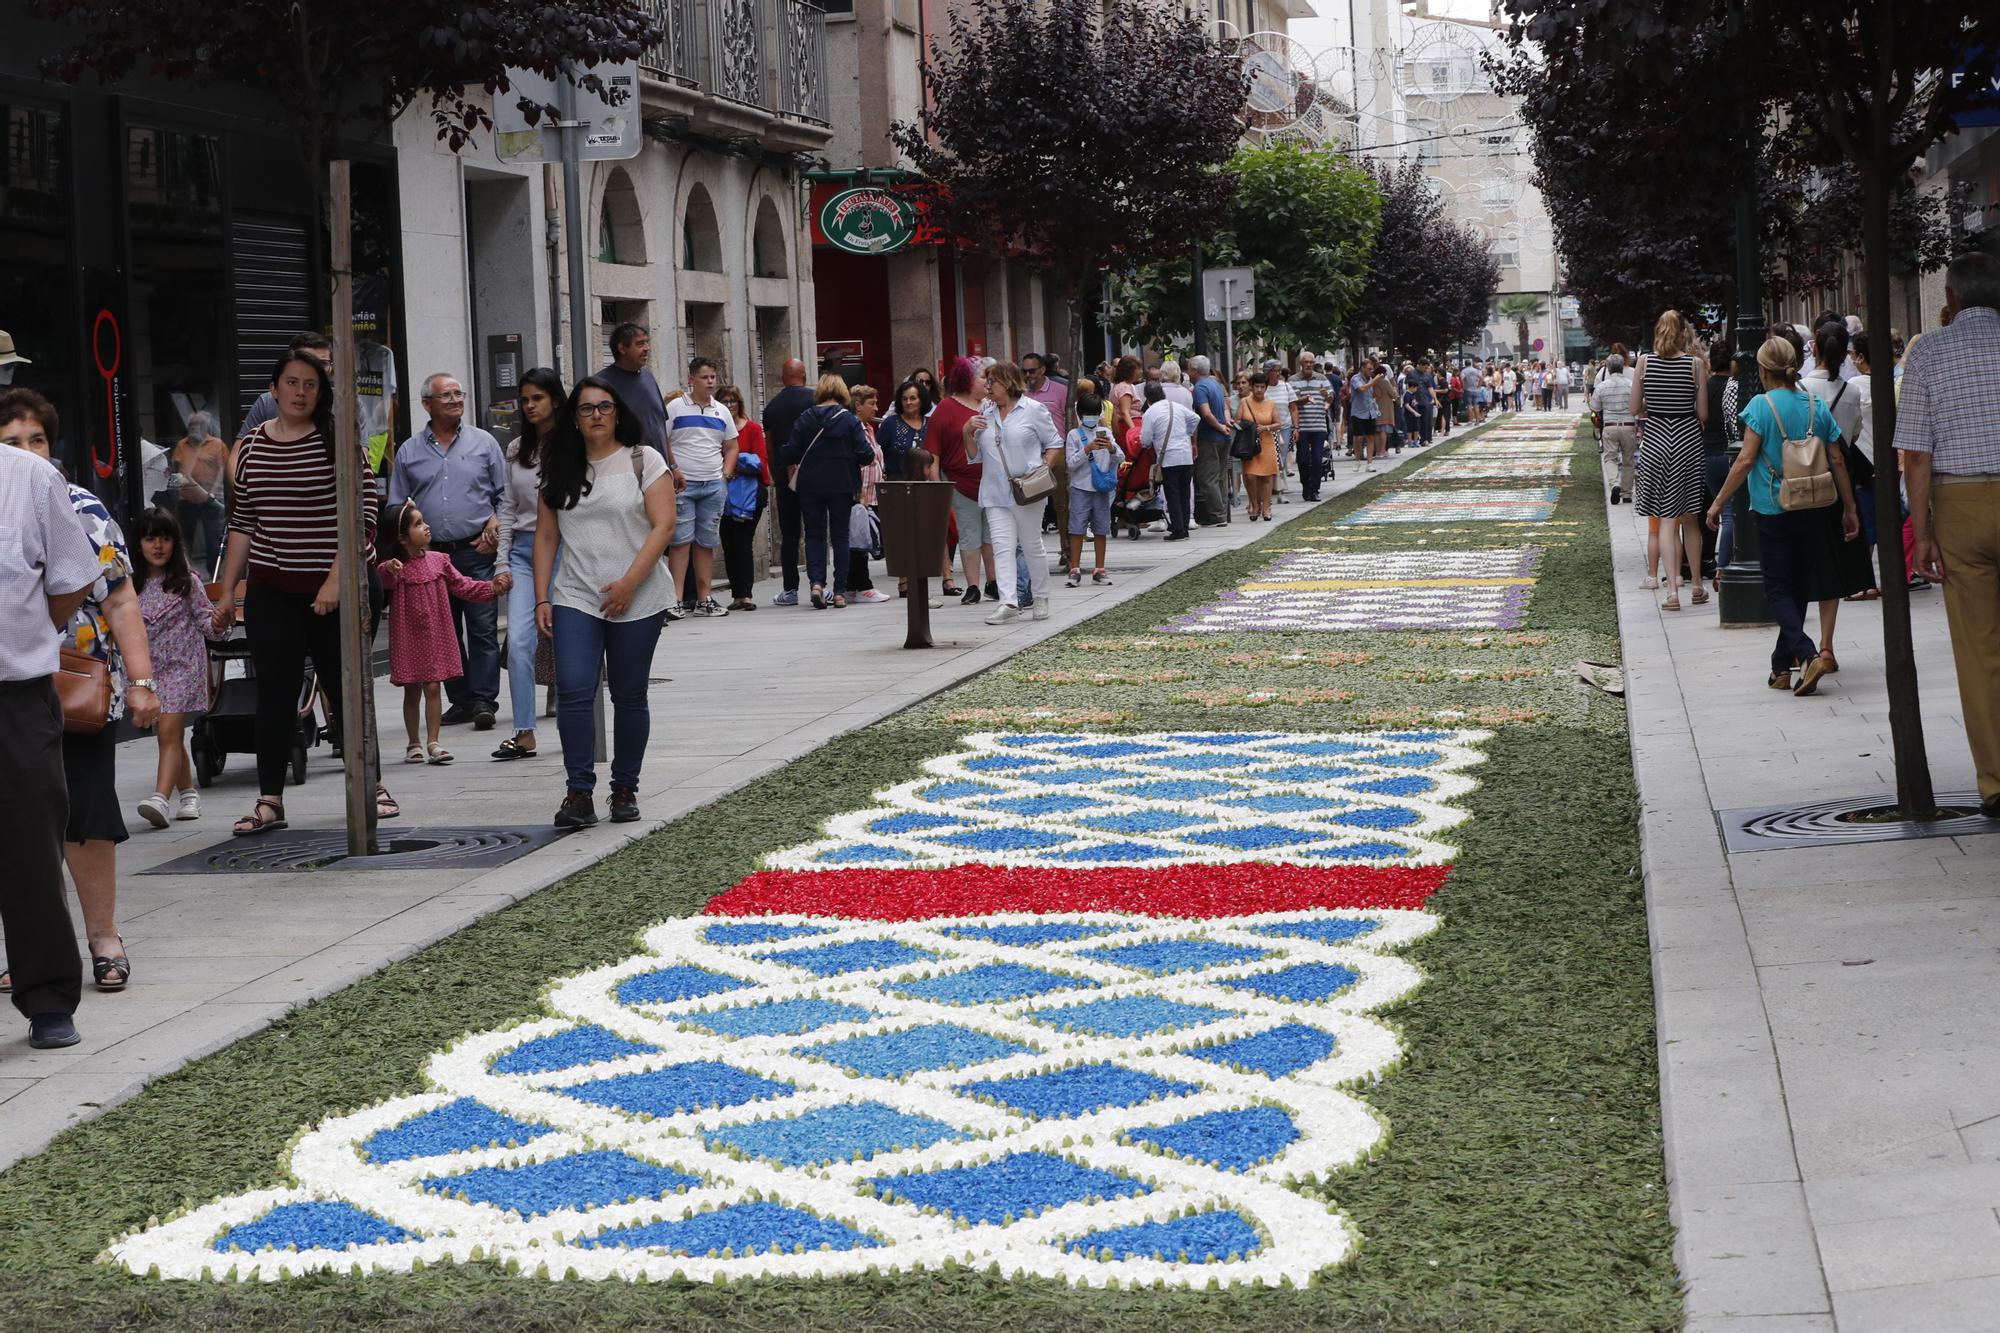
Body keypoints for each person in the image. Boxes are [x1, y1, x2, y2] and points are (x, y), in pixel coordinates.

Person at [0, 389, 161, 1003]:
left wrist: (144, 684)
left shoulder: (82, 507)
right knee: (20, 827)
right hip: (17, 687)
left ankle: (104, 938)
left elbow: (120, 599)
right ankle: (32, 948)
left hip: (80, 690)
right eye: (12, 442)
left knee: (87, 816)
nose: (27, 452)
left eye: (36, 439)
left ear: (53, 444)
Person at [214, 352, 393, 834]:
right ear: (273, 390)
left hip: (339, 585)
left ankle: (371, 785)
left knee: (346, 688)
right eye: (290, 383)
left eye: (310, 384)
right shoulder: (250, 447)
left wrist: (337, 579)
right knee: (273, 692)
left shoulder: (340, 440)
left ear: (321, 391)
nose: (299, 392)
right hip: (273, 587)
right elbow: (243, 525)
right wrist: (228, 592)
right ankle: (270, 799)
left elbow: (364, 516)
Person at [0, 418, 104, 1047]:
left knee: (31, 848)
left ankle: (48, 1000)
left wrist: (28, 633)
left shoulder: (31, 478)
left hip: (15, 694)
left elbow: (73, 579)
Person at [533, 377, 676, 828]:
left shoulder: (644, 460)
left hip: (639, 593)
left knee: (630, 695)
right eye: (586, 408)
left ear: (618, 413)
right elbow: (546, 534)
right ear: (573, 417)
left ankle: (624, 788)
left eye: (605, 407)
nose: (596, 414)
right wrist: (541, 596)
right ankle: (579, 792)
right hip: (576, 593)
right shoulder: (558, 465)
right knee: (574, 689)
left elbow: (664, 526)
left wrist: (629, 584)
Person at [1900, 251, 2000, 814]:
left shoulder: (1931, 352)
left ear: (1953, 298)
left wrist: (1925, 530)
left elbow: (1916, 455)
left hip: (1958, 501)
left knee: (1978, 647)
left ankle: (1996, 781)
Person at [1708, 336, 1862, 696]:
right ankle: (1781, 667)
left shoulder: (1760, 406)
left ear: (1762, 370)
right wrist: (1849, 508)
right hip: (1814, 505)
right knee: (1798, 584)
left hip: (1773, 508)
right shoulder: (1814, 404)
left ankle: (1807, 655)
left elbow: (1745, 460)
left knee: (1778, 587)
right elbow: (1837, 458)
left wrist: (1718, 502)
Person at [389, 373, 506, 730]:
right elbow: (396, 507)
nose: (456, 400)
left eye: (459, 393)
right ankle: (461, 700)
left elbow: (504, 496)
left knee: (484, 628)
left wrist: (495, 522)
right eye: (447, 395)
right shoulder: (409, 451)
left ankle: (485, 700)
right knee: (445, 631)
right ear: (427, 404)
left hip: (476, 550)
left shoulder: (484, 443)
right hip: (430, 558)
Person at [378, 500, 499, 765]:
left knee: (433, 687)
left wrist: (492, 588)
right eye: (418, 524)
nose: (426, 527)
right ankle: (413, 743)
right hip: (408, 635)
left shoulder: (439, 561)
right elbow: (381, 581)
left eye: (424, 521)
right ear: (402, 537)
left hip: (435, 634)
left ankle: (434, 741)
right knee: (412, 689)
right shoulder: (394, 567)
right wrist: (388, 568)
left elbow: (463, 586)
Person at [130, 506, 223, 828]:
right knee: (169, 735)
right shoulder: (130, 586)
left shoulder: (188, 582)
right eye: (150, 538)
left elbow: (208, 625)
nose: (158, 545)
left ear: (175, 542)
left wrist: (220, 620)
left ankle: (159, 797)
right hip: (151, 672)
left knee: (168, 732)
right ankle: (189, 794)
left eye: (165, 538)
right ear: (138, 543)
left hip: (184, 668)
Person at [493, 366, 563, 760]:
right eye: (525, 399)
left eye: (538, 397)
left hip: (568, 551)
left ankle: (578, 722)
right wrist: (501, 562)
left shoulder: (575, 444)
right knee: (520, 642)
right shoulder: (517, 448)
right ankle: (523, 731)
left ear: (554, 399)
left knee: (570, 642)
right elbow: (506, 507)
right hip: (522, 550)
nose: (530, 405)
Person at [964, 361, 1061, 624]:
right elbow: (975, 456)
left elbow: (1054, 443)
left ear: (1007, 382)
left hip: (1027, 489)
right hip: (995, 490)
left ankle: (1041, 595)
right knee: (1002, 547)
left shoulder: (1033, 410)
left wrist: (1042, 470)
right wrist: (967, 432)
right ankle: (1008, 601)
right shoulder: (986, 410)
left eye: (991, 381)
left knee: (1031, 544)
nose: (987, 387)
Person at [1631, 310, 1711, 611]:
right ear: (1681, 334)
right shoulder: (1695, 366)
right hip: (1687, 442)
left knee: (1665, 519)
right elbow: (1703, 414)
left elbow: (1635, 407)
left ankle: (1672, 591)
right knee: (1690, 517)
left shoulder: (1644, 363)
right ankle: (1698, 586)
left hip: (1655, 442)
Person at [782, 374, 876, 610]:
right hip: (842, 485)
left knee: (814, 534)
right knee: (840, 536)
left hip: (811, 485)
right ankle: (840, 592)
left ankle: (816, 584)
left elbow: (791, 451)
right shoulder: (849, 421)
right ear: (842, 392)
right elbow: (866, 455)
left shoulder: (806, 418)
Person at [1802, 321, 1879, 606]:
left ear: (1815, 347)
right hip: (1841, 474)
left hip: (1809, 471)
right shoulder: (1851, 391)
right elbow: (1854, 433)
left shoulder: (1802, 388)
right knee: (1842, 532)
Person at [663, 356, 740, 620]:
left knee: (706, 542)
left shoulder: (722, 411)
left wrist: (725, 475)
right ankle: (676, 599)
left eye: (713, 377)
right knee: (680, 541)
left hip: (713, 484)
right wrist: (673, 467)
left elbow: (731, 446)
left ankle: (704, 598)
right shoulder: (675, 407)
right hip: (683, 485)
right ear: (691, 380)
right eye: (705, 377)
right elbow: (663, 440)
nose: (710, 382)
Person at [924, 357, 997, 604]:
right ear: (967, 380)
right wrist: (937, 486)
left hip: (992, 481)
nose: (988, 382)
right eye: (982, 377)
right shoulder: (946, 407)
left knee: (991, 535)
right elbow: (933, 452)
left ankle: (993, 583)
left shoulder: (992, 406)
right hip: (960, 483)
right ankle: (973, 586)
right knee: (969, 535)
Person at [762, 357, 816, 606]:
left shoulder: (772, 406)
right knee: (816, 530)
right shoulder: (816, 400)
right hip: (816, 475)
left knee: (790, 534)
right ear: (804, 375)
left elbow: (770, 446)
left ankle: (790, 589)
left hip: (786, 478)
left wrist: (776, 472)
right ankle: (819, 583)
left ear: (783, 378)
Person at [716, 383, 770, 612]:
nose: (730, 406)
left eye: (733, 401)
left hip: (749, 494)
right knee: (728, 542)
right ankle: (737, 594)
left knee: (742, 541)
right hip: (723, 494)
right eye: (725, 402)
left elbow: (761, 461)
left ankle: (746, 594)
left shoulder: (752, 428)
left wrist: (734, 463)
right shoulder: (715, 428)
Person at [597, 323, 676, 474]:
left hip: (660, 471)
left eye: (647, 342)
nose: (647, 348)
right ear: (622, 348)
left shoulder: (649, 377)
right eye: (640, 344)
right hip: (627, 474)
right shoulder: (601, 385)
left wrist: (673, 466)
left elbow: (660, 427)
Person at [1063, 390, 1123, 585]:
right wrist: (1086, 449)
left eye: (1095, 414)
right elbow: (1071, 464)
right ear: (1080, 415)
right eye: (1087, 414)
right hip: (1080, 488)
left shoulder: (1105, 433)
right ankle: (1075, 568)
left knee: (1101, 528)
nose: (1091, 418)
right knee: (1077, 529)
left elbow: (1120, 457)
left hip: (1101, 489)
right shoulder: (1074, 435)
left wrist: (1111, 448)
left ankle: (1100, 568)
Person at [847, 385, 892, 603]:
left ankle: (854, 587)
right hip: (861, 494)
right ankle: (863, 586)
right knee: (859, 540)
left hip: (872, 493)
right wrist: (860, 493)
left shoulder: (869, 428)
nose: (876, 408)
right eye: (871, 404)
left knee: (863, 539)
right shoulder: (855, 428)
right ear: (858, 405)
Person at [170, 411, 229, 575]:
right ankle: (185, 574)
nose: (194, 428)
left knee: (213, 542)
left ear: (206, 427)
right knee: (185, 540)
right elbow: (177, 471)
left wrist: (213, 492)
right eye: (191, 425)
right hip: (187, 500)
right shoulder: (182, 445)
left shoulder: (217, 444)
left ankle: (214, 578)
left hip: (211, 501)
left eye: (198, 424)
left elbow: (222, 471)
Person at [1140, 381, 1200, 540]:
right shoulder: (1177, 407)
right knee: (1185, 493)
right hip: (1186, 456)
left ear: (1148, 398)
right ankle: (1184, 527)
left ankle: (1178, 530)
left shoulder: (1150, 413)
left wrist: (1149, 442)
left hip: (1168, 458)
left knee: (1172, 494)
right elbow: (1196, 418)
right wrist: (1186, 433)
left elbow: (1145, 440)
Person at [1022, 353, 1071, 542]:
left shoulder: (1060, 390)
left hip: (1057, 450)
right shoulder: (1020, 392)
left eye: (1032, 371)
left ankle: (1067, 549)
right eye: (1024, 371)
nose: (1028, 375)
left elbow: (1070, 422)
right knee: (1029, 502)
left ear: (1042, 370)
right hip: (1029, 453)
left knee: (1062, 503)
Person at [1701, 342, 1736, 581]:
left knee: (1719, 512)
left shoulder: (1706, 386)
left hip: (1709, 455)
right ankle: (1723, 566)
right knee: (1731, 514)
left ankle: (1713, 561)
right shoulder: (1736, 386)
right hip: (1731, 454)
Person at [1188, 355, 1231, 525]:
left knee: (1207, 478)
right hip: (1223, 438)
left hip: (1209, 438)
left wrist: (1220, 426)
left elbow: (1205, 413)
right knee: (1220, 477)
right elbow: (1225, 407)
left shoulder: (1199, 388)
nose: (1188, 372)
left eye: (1190, 368)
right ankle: (1223, 513)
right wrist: (1226, 423)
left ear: (1195, 370)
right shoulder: (1215, 384)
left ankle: (1218, 515)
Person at [1593, 352, 1638, 505]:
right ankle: (1626, 493)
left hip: (1610, 426)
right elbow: (1638, 404)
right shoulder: (1631, 385)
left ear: (1608, 368)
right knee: (1628, 460)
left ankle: (1615, 484)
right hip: (1628, 425)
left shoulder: (1601, 386)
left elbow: (1594, 407)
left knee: (1610, 458)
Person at [1237, 371, 1280, 521]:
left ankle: (1267, 507)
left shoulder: (1271, 404)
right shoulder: (1245, 402)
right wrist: (1245, 427)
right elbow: (1237, 421)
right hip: (1249, 444)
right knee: (1249, 476)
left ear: (1266, 388)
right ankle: (1255, 504)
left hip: (1266, 442)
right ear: (1251, 387)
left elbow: (1278, 423)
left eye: (1262, 387)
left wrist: (1266, 428)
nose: (1259, 390)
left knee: (1267, 477)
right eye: (1256, 386)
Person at [1290, 353, 1334, 501]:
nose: (1308, 364)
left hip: (1319, 426)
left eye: (1311, 362)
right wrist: (1305, 399)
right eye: (1306, 362)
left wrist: (1326, 394)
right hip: (1301, 427)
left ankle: (1314, 489)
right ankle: (1305, 486)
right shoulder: (1293, 380)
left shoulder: (1322, 378)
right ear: (1301, 363)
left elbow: (1331, 397)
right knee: (1302, 460)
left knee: (1317, 459)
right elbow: (1293, 402)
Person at [881, 379, 929, 481]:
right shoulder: (890, 424)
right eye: (904, 399)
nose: (908, 402)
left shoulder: (931, 424)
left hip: (927, 487)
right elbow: (878, 455)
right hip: (896, 486)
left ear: (921, 400)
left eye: (913, 398)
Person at [1261, 358, 1295, 499]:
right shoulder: (1262, 388)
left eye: (1279, 371)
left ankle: (1279, 485)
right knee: (1270, 456)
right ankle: (1272, 484)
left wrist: (1296, 427)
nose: (1277, 373)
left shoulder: (1286, 386)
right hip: (1267, 427)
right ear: (1267, 372)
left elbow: (1293, 408)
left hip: (1284, 426)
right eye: (1274, 371)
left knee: (1281, 456)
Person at [1348, 358, 1381, 469]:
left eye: (1372, 369)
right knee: (1358, 438)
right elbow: (1361, 389)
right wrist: (1373, 382)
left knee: (1371, 437)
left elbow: (1373, 394)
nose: (1371, 371)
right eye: (1369, 369)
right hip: (1358, 412)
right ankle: (1357, 461)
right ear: (1362, 368)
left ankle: (1369, 463)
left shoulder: (1371, 379)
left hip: (1370, 412)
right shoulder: (1355, 378)